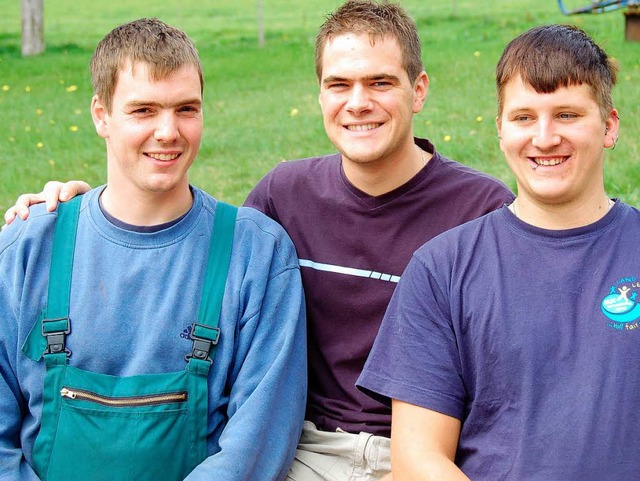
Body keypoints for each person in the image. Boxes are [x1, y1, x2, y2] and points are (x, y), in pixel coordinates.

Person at [3, 2, 514, 479]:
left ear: (418, 89)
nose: (358, 103)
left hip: (424, 452)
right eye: (339, 83)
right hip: (312, 453)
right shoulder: (284, 196)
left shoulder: (479, 214)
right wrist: (70, 218)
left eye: (380, 81)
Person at [0, 18, 307, 481]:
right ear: (101, 115)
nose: (168, 132)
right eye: (143, 110)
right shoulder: (27, 248)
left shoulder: (256, 255)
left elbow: (256, 444)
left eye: (186, 109)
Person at [357, 24, 639, 480]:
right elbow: (417, 459)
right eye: (524, 118)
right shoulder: (442, 269)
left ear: (608, 126)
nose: (544, 138)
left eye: (566, 115)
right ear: (501, 130)